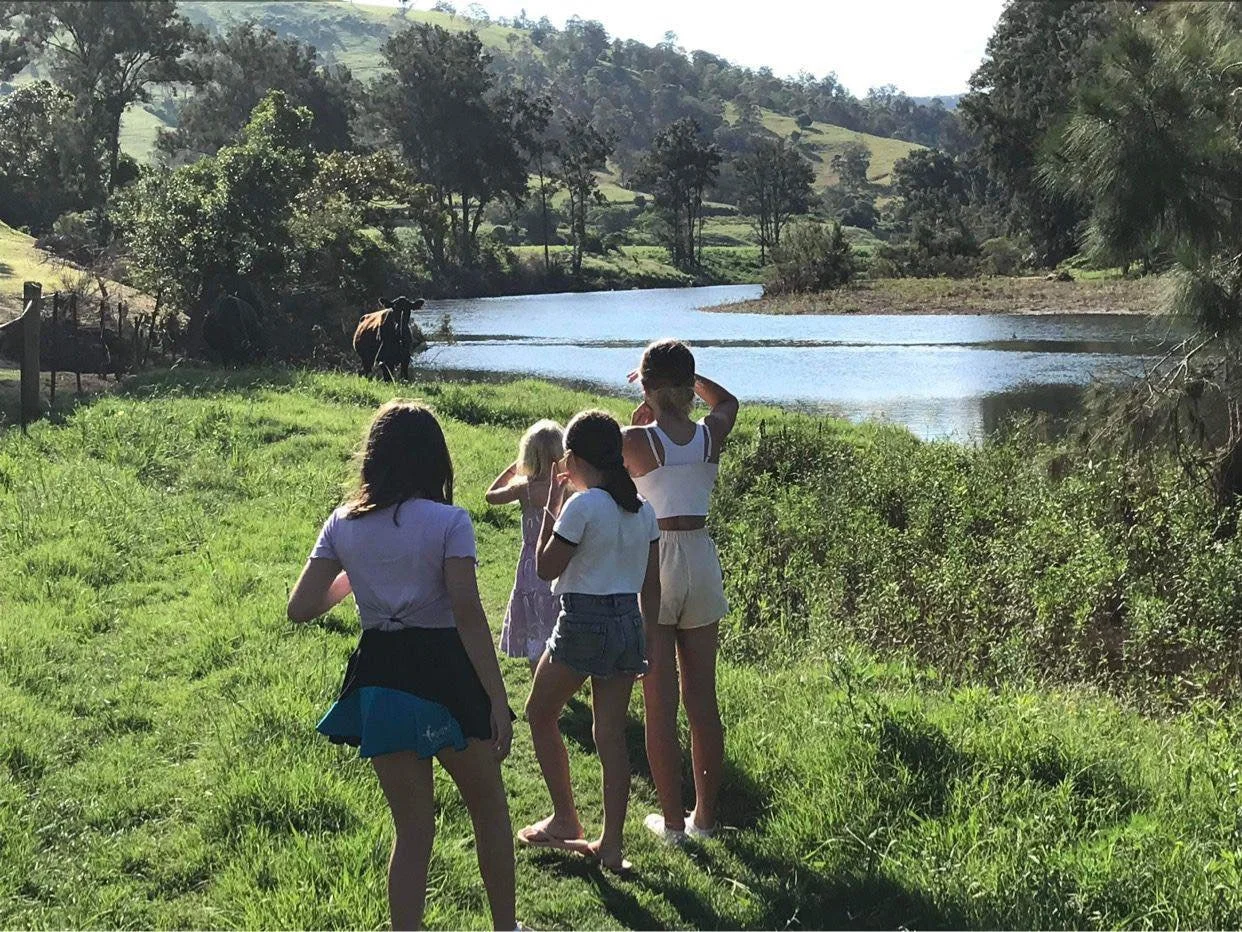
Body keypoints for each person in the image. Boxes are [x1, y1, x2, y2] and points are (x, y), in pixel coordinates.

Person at [287, 401, 517, 932]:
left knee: (412, 830)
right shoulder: (449, 521)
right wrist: (497, 698)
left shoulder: (343, 524)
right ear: (436, 459)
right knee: (489, 808)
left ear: (374, 459)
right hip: (447, 674)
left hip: (381, 674)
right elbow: (466, 611)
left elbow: (300, 607)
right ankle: (506, 927)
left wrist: (354, 575)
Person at [518, 410, 662, 873]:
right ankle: (612, 848)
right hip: (628, 624)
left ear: (574, 459)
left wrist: (551, 508)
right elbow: (652, 586)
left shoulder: (582, 506)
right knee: (610, 735)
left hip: (584, 621)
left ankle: (565, 820)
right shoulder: (643, 510)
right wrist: (651, 643)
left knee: (539, 714)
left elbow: (544, 568)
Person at [622, 339, 739, 844]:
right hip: (700, 555)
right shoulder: (709, 435)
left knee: (659, 701)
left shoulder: (636, 439)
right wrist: (691, 382)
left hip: (656, 560)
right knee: (702, 699)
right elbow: (728, 402)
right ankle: (705, 818)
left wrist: (648, 410)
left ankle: (672, 823)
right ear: (690, 387)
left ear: (646, 387)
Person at [486, 420, 565, 673]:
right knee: (558, 619)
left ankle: (537, 680)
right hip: (560, 557)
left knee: (534, 625)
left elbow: (491, 495)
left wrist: (515, 468)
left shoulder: (524, 489)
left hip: (531, 564)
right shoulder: (568, 488)